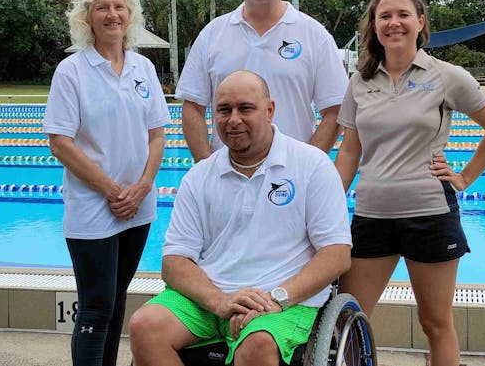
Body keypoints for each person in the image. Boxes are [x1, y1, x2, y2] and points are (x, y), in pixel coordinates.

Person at [333, 0, 485, 366]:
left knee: (434, 321)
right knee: (347, 317)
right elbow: (350, 150)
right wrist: (328, 205)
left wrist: (463, 178)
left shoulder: (446, 76)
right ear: (374, 26)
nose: (394, 23)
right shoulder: (359, 82)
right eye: (385, 16)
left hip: (430, 214)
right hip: (372, 216)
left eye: (402, 15)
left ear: (420, 23)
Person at [129, 71, 352, 366]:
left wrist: (276, 299)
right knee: (144, 326)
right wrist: (220, 301)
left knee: (257, 344)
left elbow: (336, 255)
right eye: (224, 110)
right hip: (211, 299)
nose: (233, 119)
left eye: (246, 108)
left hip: (284, 301)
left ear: (270, 110)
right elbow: (174, 262)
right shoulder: (200, 176)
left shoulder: (312, 166)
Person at [43, 0, 169, 366]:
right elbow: (60, 142)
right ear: (87, 18)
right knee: (96, 307)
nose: (112, 14)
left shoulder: (143, 67)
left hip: (138, 207)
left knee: (114, 303)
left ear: (129, 15)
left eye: (119, 7)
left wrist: (143, 186)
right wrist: (113, 191)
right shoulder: (72, 71)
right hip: (93, 207)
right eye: (102, 8)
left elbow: (157, 135)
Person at [177, 0, 348, 162]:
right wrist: (208, 168)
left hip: (290, 182)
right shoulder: (212, 34)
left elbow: (335, 110)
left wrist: (306, 165)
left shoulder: (313, 35)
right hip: (228, 178)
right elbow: (192, 107)